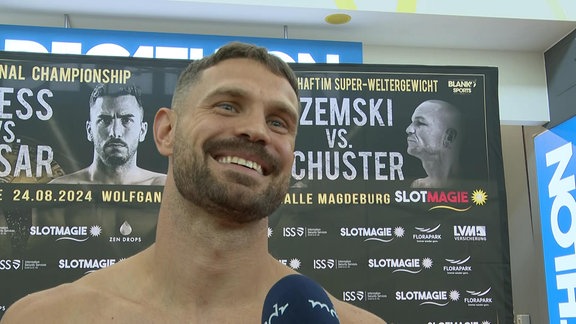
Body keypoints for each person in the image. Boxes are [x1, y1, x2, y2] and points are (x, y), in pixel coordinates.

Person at [2, 42, 386, 323]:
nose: (256, 131)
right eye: (227, 106)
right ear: (167, 131)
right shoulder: (48, 318)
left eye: (278, 122)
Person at [49, 83, 166, 185]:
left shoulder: (164, 188)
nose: (115, 132)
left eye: (126, 120)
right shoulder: (59, 188)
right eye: (105, 120)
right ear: (89, 130)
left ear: (143, 131)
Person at [405, 99, 463, 188]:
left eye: (420, 123)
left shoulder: (473, 186)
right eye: (412, 122)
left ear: (449, 137)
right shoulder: (419, 186)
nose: (409, 129)